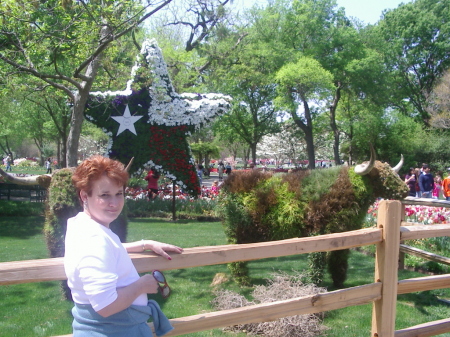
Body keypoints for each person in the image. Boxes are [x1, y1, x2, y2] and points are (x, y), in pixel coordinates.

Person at [64, 155, 182, 336]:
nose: (115, 203)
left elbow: (107, 251)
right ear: (84, 195)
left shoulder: (81, 225)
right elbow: (105, 306)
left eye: (119, 194)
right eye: (105, 195)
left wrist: (144, 244)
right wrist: (142, 285)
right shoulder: (94, 239)